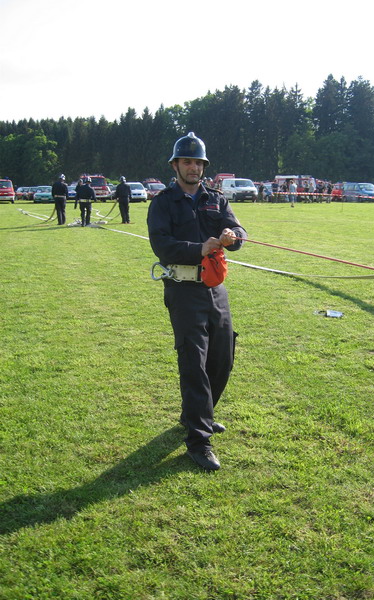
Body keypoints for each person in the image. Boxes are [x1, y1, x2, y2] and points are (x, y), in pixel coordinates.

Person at [147, 132, 247, 471]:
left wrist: (233, 237)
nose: (193, 167)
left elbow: (238, 231)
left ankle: (199, 413)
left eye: (198, 162)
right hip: (183, 288)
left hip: (215, 289)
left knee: (222, 356)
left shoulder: (215, 199)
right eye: (187, 161)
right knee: (194, 361)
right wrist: (198, 249)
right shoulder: (163, 203)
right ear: (175, 166)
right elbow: (161, 245)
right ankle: (199, 440)